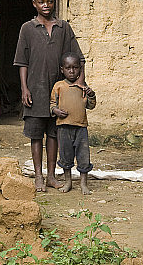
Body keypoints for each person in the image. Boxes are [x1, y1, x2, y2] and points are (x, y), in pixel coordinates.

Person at [14, 0, 85, 192]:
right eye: (42, 2)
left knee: (54, 134)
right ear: (34, 4)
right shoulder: (27, 28)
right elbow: (22, 62)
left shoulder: (64, 28)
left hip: (58, 93)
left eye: (50, 1)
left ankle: (51, 177)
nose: (46, 5)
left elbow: (79, 58)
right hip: (35, 90)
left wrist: (80, 83)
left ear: (54, 2)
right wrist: (24, 88)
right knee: (36, 135)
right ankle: (38, 176)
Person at [50, 52, 96, 194]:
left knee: (83, 156)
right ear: (62, 69)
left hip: (81, 127)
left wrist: (91, 95)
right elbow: (52, 104)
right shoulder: (59, 86)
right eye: (68, 68)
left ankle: (83, 183)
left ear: (79, 69)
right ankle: (68, 182)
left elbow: (91, 105)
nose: (71, 71)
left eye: (75, 68)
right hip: (63, 128)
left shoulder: (83, 87)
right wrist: (56, 111)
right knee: (65, 156)